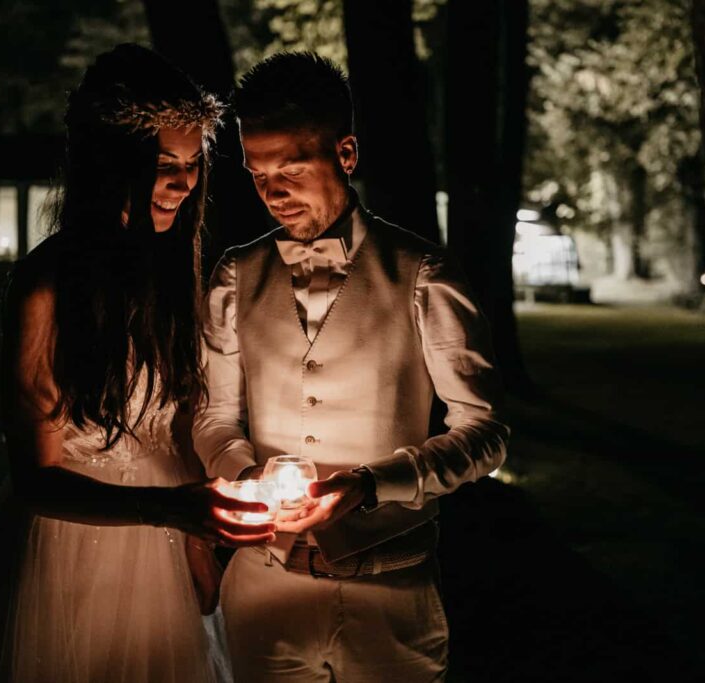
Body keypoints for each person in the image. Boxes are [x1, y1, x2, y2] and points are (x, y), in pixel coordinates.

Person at [0, 44, 275, 683]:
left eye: (193, 164)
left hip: (167, 552)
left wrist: (198, 547)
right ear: (112, 164)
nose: (184, 184)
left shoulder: (170, 273)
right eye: (165, 165)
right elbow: (36, 479)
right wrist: (168, 510)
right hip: (69, 549)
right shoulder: (45, 287)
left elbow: (176, 430)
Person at [194, 52, 510, 682]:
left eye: (292, 169)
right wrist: (249, 477)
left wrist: (369, 486)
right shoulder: (234, 276)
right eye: (259, 175)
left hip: (392, 592)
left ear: (346, 153)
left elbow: (485, 432)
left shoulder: (424, 274)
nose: (273, 193)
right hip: (262, 588)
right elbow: (213, 417)